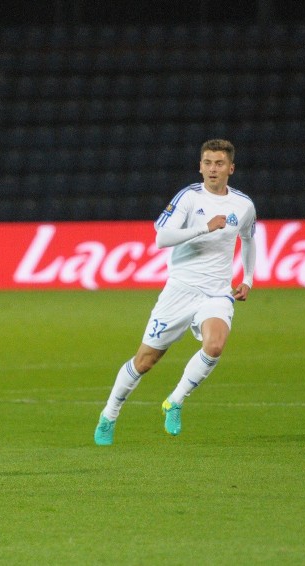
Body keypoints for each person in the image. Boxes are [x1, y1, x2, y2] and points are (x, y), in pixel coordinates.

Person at [94, 139, 257, 446]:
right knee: (144, 361)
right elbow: (162, 237)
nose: (212, 168)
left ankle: (175, 400)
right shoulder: (188, 198)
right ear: (200, 166)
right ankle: (110, 413)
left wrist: (248, 278)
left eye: (219, 163)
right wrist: (204, 228)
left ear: (231, 169)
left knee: (216, 345)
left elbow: (249, 240)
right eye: (207, 162)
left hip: (217, 292)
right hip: (180, 291)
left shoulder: (243, 205)